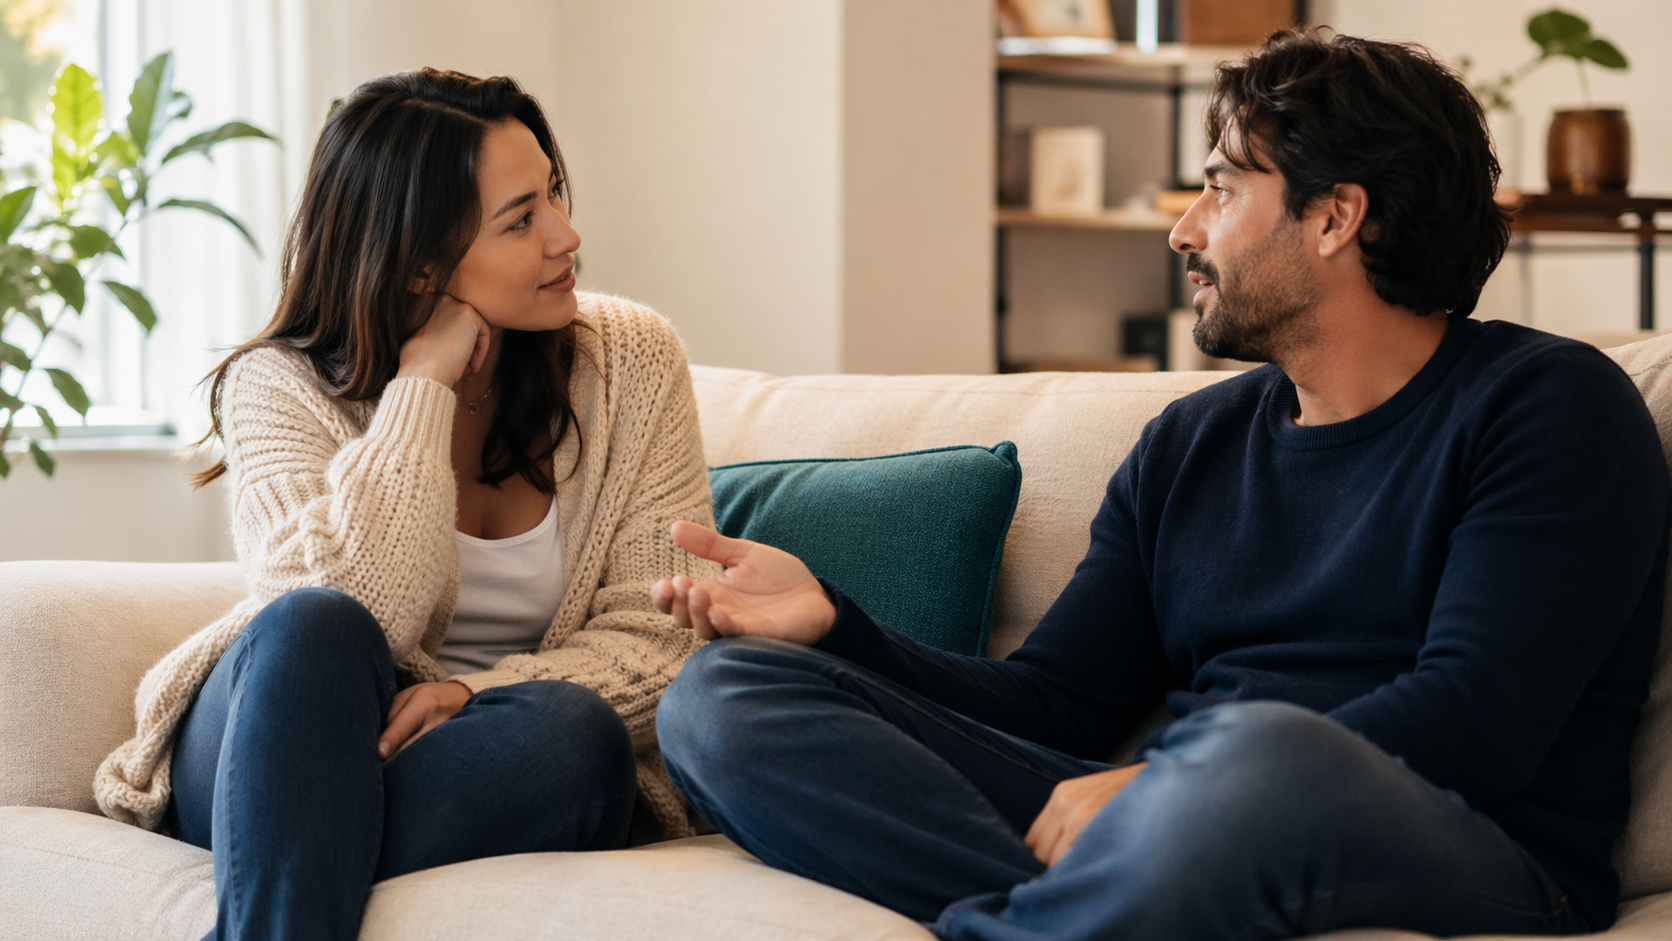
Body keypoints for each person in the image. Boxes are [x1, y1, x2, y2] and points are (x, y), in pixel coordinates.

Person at [649, 30, 1671, 940]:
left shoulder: (1546, 405)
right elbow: (1058, 702)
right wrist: (835, 624)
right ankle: (1068, 913)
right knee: (720, 696)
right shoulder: (1189, 441)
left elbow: (1476, 720)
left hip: (1464, 845)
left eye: (1222, 188)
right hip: (1182, 816)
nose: (1183, 231)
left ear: (1335, 217)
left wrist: (1172, 781)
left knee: (1263, 750)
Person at [92, 68, 720, 940]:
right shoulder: (278, 384)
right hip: (276, 738)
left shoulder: (633, 362)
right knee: (319, 624)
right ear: (423, 261)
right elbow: (355, 608)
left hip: (477, 746)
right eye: (522, 219)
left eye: (555, 197)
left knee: (577, 737)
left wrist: (472, 689)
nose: (567, 235)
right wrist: (421, 387)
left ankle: (289, 890)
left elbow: (664, 636)